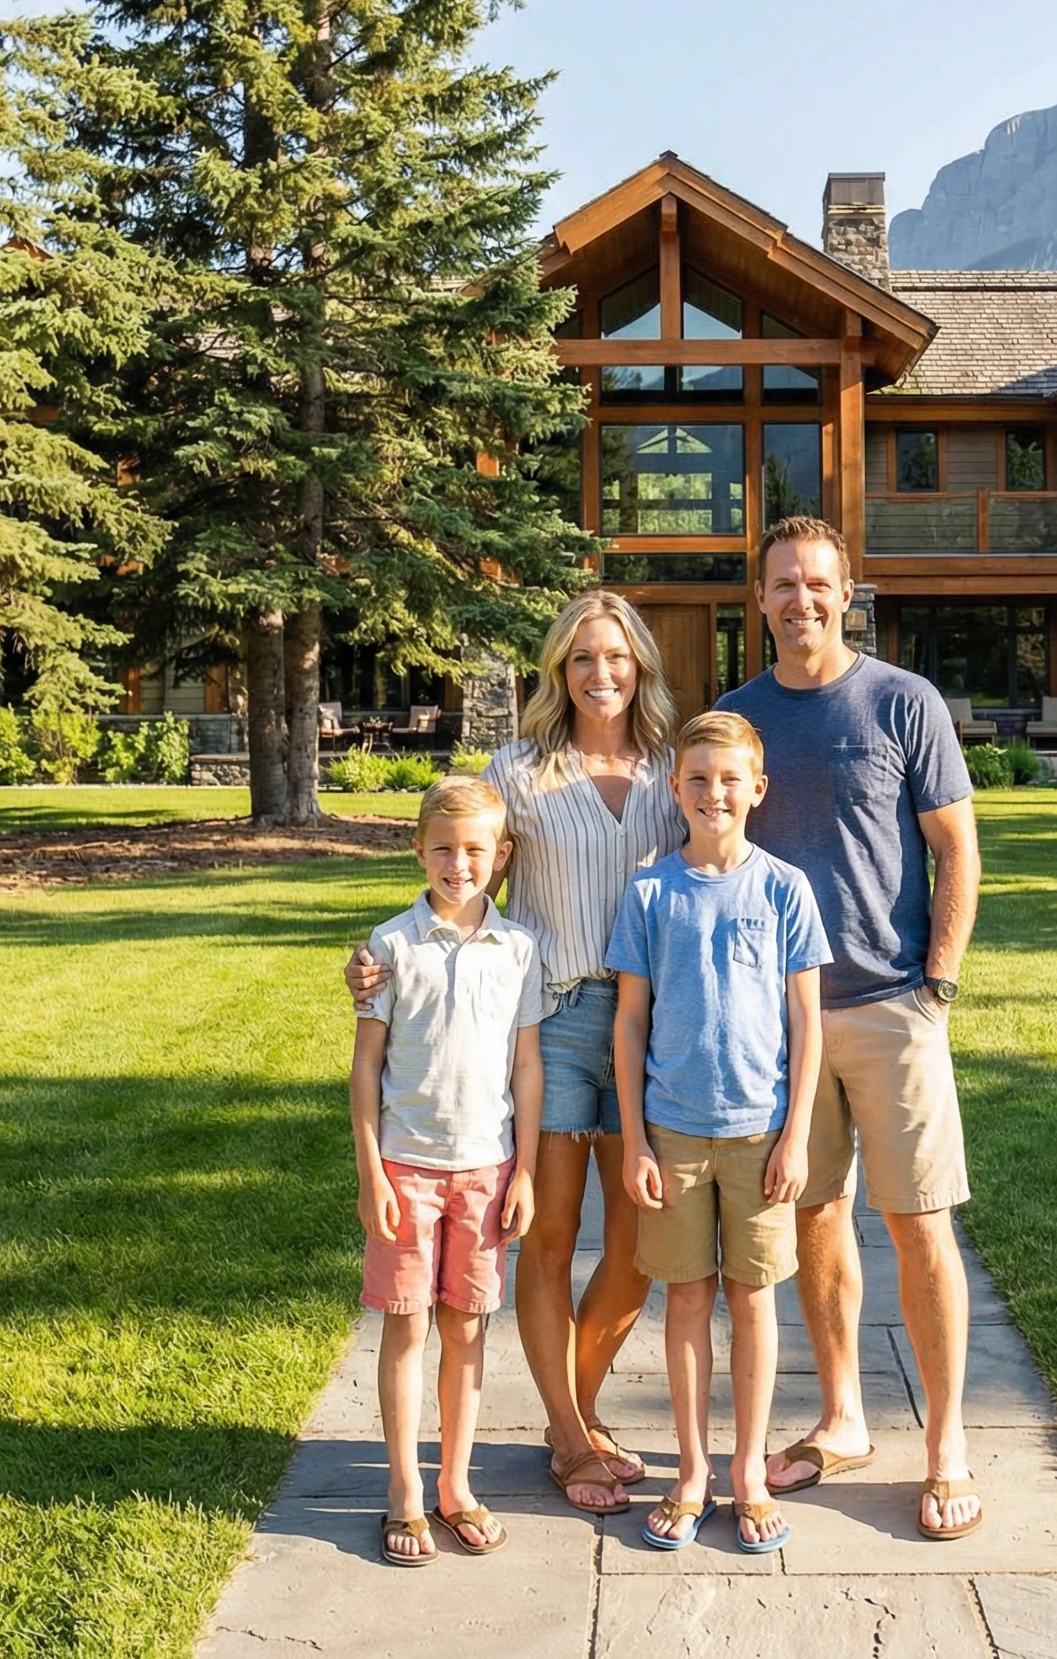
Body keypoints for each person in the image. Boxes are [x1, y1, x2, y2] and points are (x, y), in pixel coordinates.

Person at [346, 592, 684, 1514]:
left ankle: (565, 1407)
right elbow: (455, 873)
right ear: (557, 670)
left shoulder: (670, 769)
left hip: (652, 1024)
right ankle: (573, 1437)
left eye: (616, 657)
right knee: (544, 1239)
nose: (600, 674)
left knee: (641, 1245)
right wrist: (380, 962)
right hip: (549, 1022)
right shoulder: (521, 768)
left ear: (640, 664)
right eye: (582, 659)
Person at [719, 515, 985, 1542]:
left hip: (889, 1004)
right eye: (782, 583)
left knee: (921, 1222)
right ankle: (840, 1416)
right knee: (815, 1215)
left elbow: (954, 851)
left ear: (844, 592)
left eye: (817, 582)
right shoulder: (734, 721)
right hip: (781, 1020)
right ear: (759, 599)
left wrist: (939, 983)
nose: (800, 599)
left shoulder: (901, 701)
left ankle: (946, 1439)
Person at [610, 710, 827, 1554]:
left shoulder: (785, 889)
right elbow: (631, 1023)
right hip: (673, 1134)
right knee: (688, 1299)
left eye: (730, 779)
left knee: (753, 1299)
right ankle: (693, 1470)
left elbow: (806, 1023)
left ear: (757, 791)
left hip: (761, 1133)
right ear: (676, 790)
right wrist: (633, 1141)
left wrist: (797, 1132)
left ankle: (745, 1473)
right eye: (697, 779)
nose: (714, 793)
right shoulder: (651, 892)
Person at [350, 776, 545, 1566]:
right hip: (406, 1167)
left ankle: (455, 1485)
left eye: (475, 851)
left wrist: (525, 1168)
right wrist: (371, 1173)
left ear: (500, 858)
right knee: (406, 1325)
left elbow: (526, 1067)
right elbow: (365, 1069)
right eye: (443, 849)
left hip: (486, 1171)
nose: (458, 865)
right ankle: (402, 1490)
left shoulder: (520, 948)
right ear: (418, 851)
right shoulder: (390, 947)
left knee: (467, 1327)